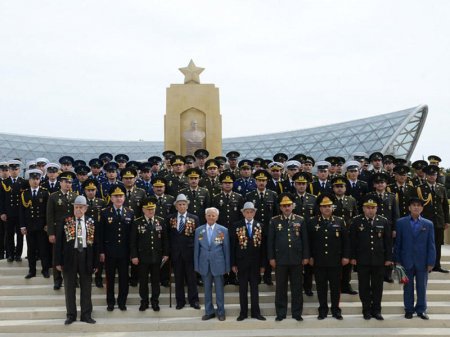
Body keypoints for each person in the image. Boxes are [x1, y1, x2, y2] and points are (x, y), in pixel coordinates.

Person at [55, 195, 98, 325]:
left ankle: (86, 314)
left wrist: (95, 263)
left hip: (85, 255)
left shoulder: (91, 221)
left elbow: (96, 244)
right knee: (69, 287)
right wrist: (58, 261)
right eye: (76, 207)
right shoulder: (66, 220)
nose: (78, 210)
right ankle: (71, 315)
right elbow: (59, 243)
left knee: (86, 287)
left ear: (85, 208)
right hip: (70, 256)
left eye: (81, 207)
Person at [267, 193, 310, 322]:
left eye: (289, 205)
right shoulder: (274, 220)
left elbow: (305, 240)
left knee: (297, 287)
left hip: (296, 259)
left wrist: (305, 256)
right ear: (280, 207)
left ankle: (297, 313)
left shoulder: (300, 219)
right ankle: (281, 313)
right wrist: (271, 258)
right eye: (284, 206)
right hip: (280, 260)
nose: (286, 208)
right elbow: (270, 241)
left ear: (293, 206)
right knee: (281, 288)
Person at [350, 195, 392, 320]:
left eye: (373, 208)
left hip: (379, 260)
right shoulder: (356, 221)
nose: (370, 210)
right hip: (362, 260)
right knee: (363, 287)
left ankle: (377, 310)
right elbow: (352, 241)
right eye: (367, 208)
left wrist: (389, 258)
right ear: (363, 208)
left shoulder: (383, 221)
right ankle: (366, 310)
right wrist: (353, 257)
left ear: (377, 208)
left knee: (377, 286)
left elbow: (388, 242)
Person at [308, 194, 349, 320]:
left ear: (333, 207)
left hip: (335, 260)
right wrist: (309, 256)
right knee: (321, 287)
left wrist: (346, 256)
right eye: (324, 206)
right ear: (320, 208)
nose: (327, 208)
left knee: (336, 287)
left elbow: (346, 241)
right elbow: (309, 241)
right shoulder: (313, 221)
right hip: (319, 260)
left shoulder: (340, 221)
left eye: (329, 206)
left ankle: (336, 310)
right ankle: (323, 309)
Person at [394, 197, 436, 320]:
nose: (416, 207)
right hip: (406, 260)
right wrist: (397, 260)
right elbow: (398, 243)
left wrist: (431, 262)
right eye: (413, 205)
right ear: (409, 208)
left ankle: (421, 310)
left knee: (422, 287)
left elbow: (431, 244)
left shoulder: (428, 224)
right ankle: (408, 309)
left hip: (422, 262)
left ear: (422, 208)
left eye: (419, 205)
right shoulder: (401, 222)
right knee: (407, 287)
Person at [99, 184, 134, 311]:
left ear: (124, 197)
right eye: (116, 196)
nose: (119, 198)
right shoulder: (104, 212)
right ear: (111, 198)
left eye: (121, 196)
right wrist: (101, 251)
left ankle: (122, 301)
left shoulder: (130, 212)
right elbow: (100, 234)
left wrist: (132, 252)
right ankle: (110, 302)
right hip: (110, 252)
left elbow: (132, 235)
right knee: (110, 278)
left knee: (124, 278)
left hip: (124, 252)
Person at [130, 197, 169, 312]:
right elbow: (133, 241)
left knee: (156, 281)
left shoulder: (160, 221)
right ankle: (144, 301)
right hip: (142, 257)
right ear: (143, 210)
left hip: (157, 257)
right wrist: (134, 256)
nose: (150, 211)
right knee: (143, 281)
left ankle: (155, 301)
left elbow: (165, 239)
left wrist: (166, 253)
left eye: (152, 209)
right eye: (148, 209)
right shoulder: (137, 222)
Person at [231, 202, 266, 321]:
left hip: (256, 263)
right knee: (243, 289)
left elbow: (263, 247)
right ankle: (243, 313)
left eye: (251, 211)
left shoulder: (260, 225)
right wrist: (233, 263)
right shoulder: (236, 225)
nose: (249, 213)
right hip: (241, 263)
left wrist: (263, 264)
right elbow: (233, 246)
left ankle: (256, 312)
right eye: (247, 211)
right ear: (243, 213)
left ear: (255, 212)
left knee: (255, 289)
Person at [194, 207, 230, 321]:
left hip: (218, 264)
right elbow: (196, 250)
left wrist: (227, 266)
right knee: (207, 289)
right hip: (204, 264)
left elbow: (226, 249)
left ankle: (221, 312)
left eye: (213, 215)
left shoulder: (223, 230)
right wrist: (197, 265)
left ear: (217, 217)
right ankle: (209, 312)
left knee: (219, 289)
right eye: (209, 215)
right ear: (205, 216)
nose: (211, 217)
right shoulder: (199, 230)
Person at [167, 194, 200, 310]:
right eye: (179, 204)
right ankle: (180, 301)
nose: (181, 206)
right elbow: (168, 237)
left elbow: (197, 237)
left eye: (183, 204)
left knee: (191, 278)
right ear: (176, 206)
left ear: (187, 205)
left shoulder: (194, 218)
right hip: (176, 253)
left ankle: (194, 300)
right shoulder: (170, 218)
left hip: (190, 253)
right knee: (178, 278)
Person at [46, 171, 78, 290]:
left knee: (73, 254)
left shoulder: (76, 196)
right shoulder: (53, 196)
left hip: (72, 229)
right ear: (60, 182)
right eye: (66, 182)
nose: (68, 184)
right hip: (58, 230)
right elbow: (49, 216)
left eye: (70, 182)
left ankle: (73, 279)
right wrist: (51, 233)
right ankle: (57, 279)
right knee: (57, 254)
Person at [417, 165, 449, 273]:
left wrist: (447, 221)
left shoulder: (441, 187)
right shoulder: (420, 188)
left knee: (438, 244)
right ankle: (426, 265)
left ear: (436, 176)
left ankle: (437, 265)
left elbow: (445, 206)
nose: (432, 177)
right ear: (426, 176)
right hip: (425, 221)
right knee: (425, 243)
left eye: (434, 175)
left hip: (439, 221)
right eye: (430, 175)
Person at [19, 169, 50, 279]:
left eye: (37, 179)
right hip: (30, 226)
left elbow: (48, 211)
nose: (35, 181)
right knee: (31, 250)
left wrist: (47, 224)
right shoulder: (24, 194)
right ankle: (32, 271)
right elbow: (22, 211)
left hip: (42, 226)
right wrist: (22, 226)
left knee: (43, 249)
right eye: (33, 179)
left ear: (40, 180)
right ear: (29, 180)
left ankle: (45, 270)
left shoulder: (45, 193)